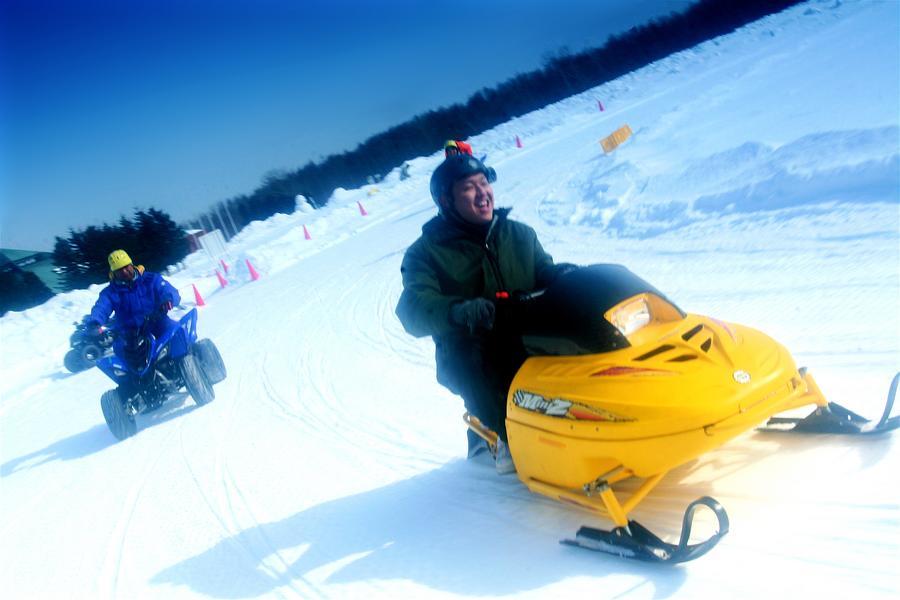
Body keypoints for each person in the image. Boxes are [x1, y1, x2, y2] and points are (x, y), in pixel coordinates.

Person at [395, 154, 573, 473]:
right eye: (468, 188)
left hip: (526, 331)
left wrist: (563, 276)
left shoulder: (519, 234)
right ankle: (503, 436)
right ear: (446, 201)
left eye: (484, 183)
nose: (482, 193)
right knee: (474, 358)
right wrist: (458, 311)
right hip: (474, 345)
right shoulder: (425, 252)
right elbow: (412, 308)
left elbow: (543, 270)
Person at [87, 250, 181, 394]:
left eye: (126, 266)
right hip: (129, 332)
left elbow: (167, 289)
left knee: (175, 332)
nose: (124, 271)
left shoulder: (150, 279)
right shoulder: (110, 292)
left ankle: (185, 363)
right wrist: (95, 322)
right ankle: (133, 389)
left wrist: (168, 299)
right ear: (113, 273)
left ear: (132, 264)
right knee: (120, 353)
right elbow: (102, 307)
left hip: (156, 321)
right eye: (119, 270)